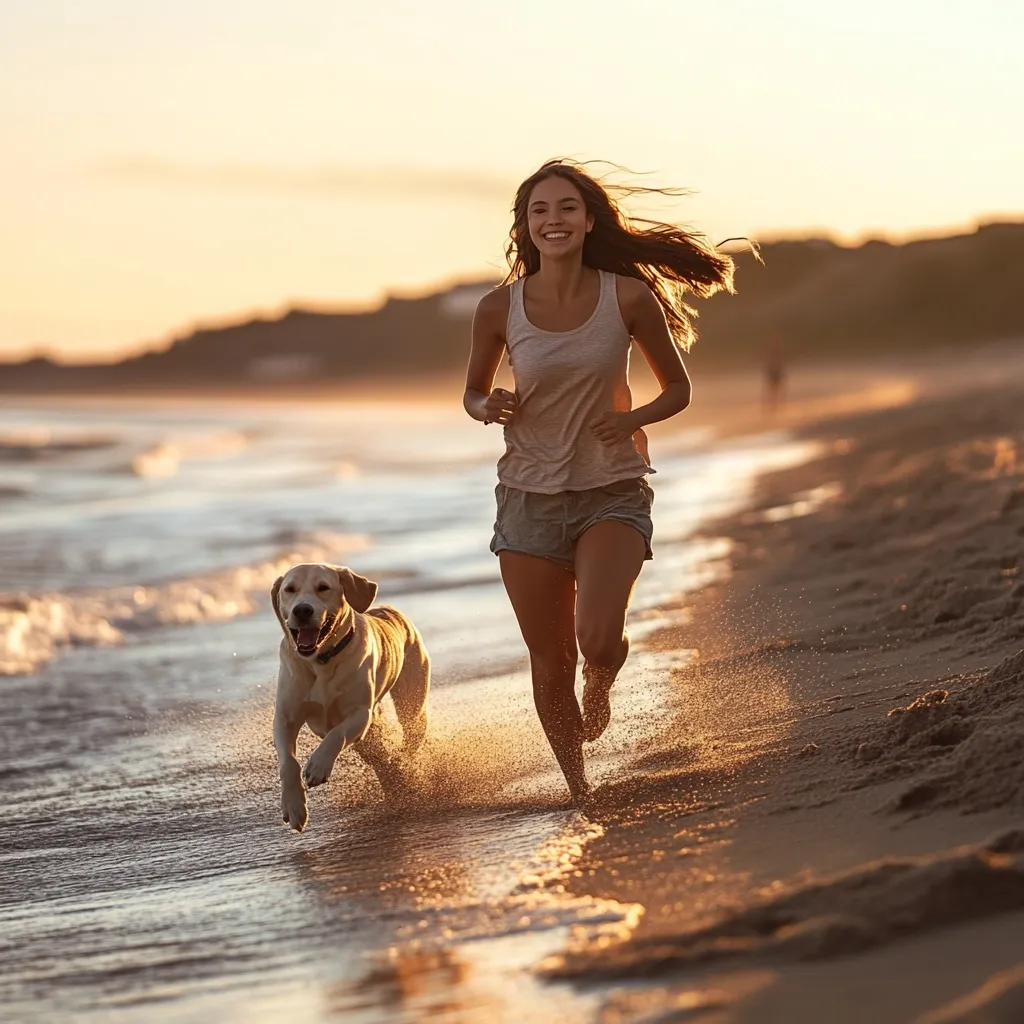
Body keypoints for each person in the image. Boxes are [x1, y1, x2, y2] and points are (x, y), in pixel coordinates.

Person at [463, 159, 734, 807]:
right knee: (549, 660)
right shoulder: (498, 307)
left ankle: (603, 683)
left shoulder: (627, 297)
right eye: (538, 211)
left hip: (611, 489)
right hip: (527, 501)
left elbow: (678, 389)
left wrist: (632, 419)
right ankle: (578, 789)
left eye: (564, 209)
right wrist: (488, 406)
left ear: (588, 220)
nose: (552, 221)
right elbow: (472, 392)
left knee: (598, 638)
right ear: (525, 228)